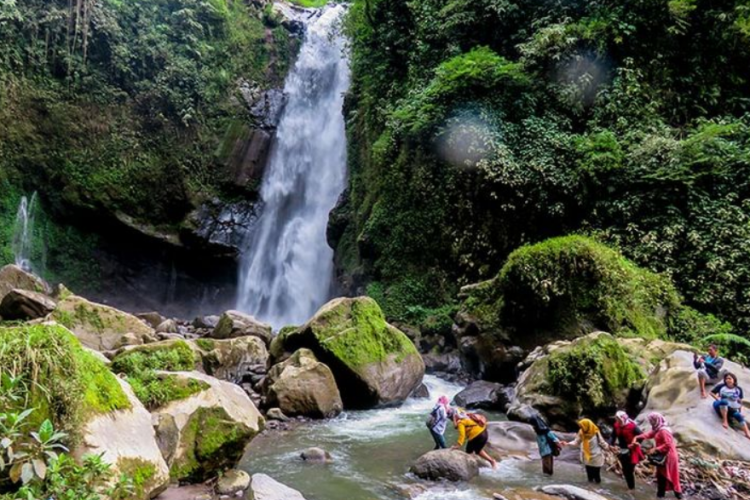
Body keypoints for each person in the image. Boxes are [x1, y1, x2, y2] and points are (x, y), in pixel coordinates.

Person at [633, 412, 682, 499]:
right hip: (662, 455)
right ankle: (660, 495)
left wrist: (656, 449)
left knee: (672, 476)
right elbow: (649, 434)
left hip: (669, 456)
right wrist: (637, 437)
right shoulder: (658, 429)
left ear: (656, 420)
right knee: (661, 476)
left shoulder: (664, 431)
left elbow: (668, 444)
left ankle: (679, 496)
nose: (651, 423)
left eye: (652, 421)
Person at [563, 418, 607, 484]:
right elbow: (576, 442)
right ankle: (590, 488)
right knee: (589, 476)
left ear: (587, 426)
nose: (581, 428)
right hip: (586, 456)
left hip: (596, 457)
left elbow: (602, 442)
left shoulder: (596, 432)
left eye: (582, 426)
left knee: (597, 476)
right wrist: (567, 443)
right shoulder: (581, 432)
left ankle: (597, 490)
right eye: (580, 426)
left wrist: (608, 448)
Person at [608, 410, 645, 489]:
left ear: (623, 418)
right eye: (617, 419)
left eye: (619, 419)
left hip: (633, 450)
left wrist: (636, 443)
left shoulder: (632, 426)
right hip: (622, 450)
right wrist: (610, 444)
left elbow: (641, 436)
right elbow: (613, 436)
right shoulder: (616, 425)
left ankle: (632, 488)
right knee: (625, 470)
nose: (618, 421)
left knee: (630, 470)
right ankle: (630, 487)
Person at [710, 372, 750, 440]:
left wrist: (740, 411)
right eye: (726, 379)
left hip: (730, 408)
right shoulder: (722, 386)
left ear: (734, 380)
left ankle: (747, 433)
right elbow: (711, 392)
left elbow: (739, 401)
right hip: (719, 405)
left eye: (729, 378)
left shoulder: (738, 389)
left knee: (738, 415)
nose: (727, 380)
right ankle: (725, 421)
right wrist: (718, 399)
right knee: (724, 401)